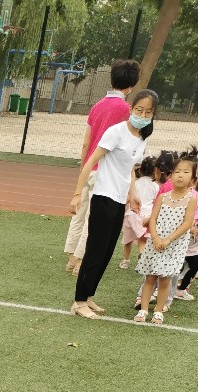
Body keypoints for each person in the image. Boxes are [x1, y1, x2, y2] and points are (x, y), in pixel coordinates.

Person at [69, 89, 157, 318]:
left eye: (148, 112)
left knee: (107, 252)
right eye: (139, 110)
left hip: (119, 201)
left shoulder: (141, 138)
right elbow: (91, 161)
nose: (142, 115)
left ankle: (88, 296)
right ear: (131, 109)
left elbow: (129, 169)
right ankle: (79, 301)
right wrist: (77, 193)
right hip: (103, 197)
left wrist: (133, 193)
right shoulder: (116, 132)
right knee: (95, 251)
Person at [64, 59, 141, 274]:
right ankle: (81, 262)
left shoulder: (97, 106)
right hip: (106, 172)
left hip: (89, 168)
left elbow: (86, 143)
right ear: (131, 86)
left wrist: (83, 169)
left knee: (80, 215)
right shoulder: (126, 110)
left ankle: (71, 258)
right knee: (94, 219)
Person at [135, 151, 198, 324]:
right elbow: (152, 219)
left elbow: (187, 223)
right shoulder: (162, 197)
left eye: (185, 172)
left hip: (174, 246)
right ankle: (143, 310)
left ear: (193, 179)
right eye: (177, 171)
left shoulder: (191, 199)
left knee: (165, 280)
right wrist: (155, 238)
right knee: (149, 278)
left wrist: (168, 240)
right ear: (170, 175)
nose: (180, 175)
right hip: (155, 243)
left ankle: (158, 311)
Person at [120, 156, 159, 267]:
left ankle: (125, 261)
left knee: (127, 240)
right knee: (143, 239)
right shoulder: (155, 186)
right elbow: (156, 201)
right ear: (155, 171)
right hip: (146, 215)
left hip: (131, 214)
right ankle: (142, 254)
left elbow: (128, 198)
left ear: (140, 169)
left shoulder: (135, 184)